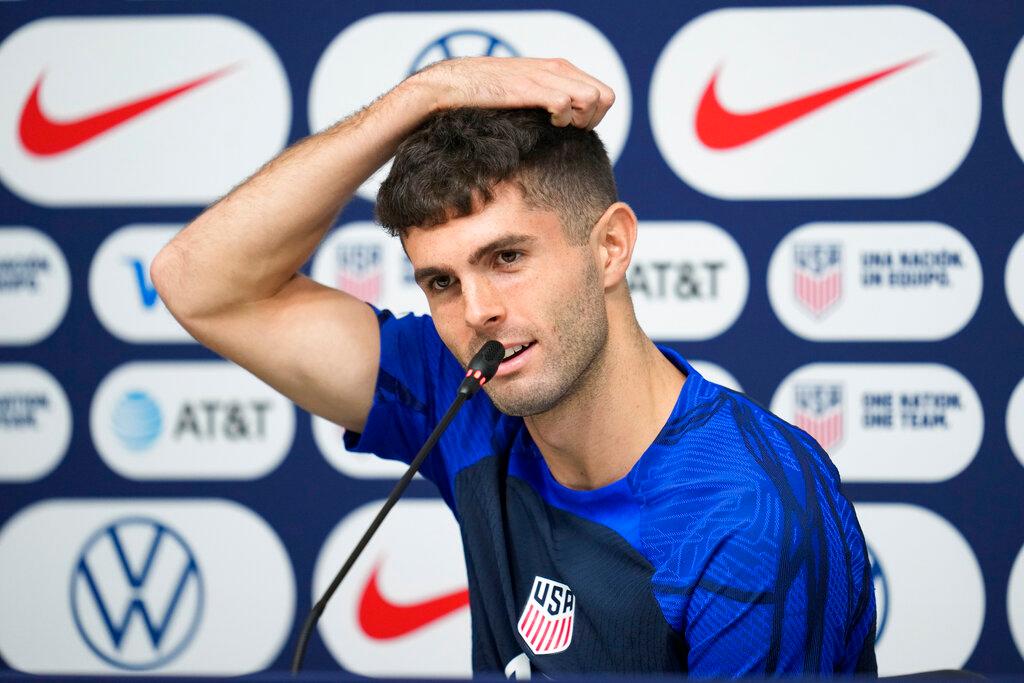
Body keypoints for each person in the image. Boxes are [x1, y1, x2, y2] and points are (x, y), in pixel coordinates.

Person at [152, 57, 876, 677]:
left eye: (507, 258)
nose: (477, 312)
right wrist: (425, 94)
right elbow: (197, 282)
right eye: (441, 281)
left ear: (611, 248)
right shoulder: (464, 390)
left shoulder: (748, 513)